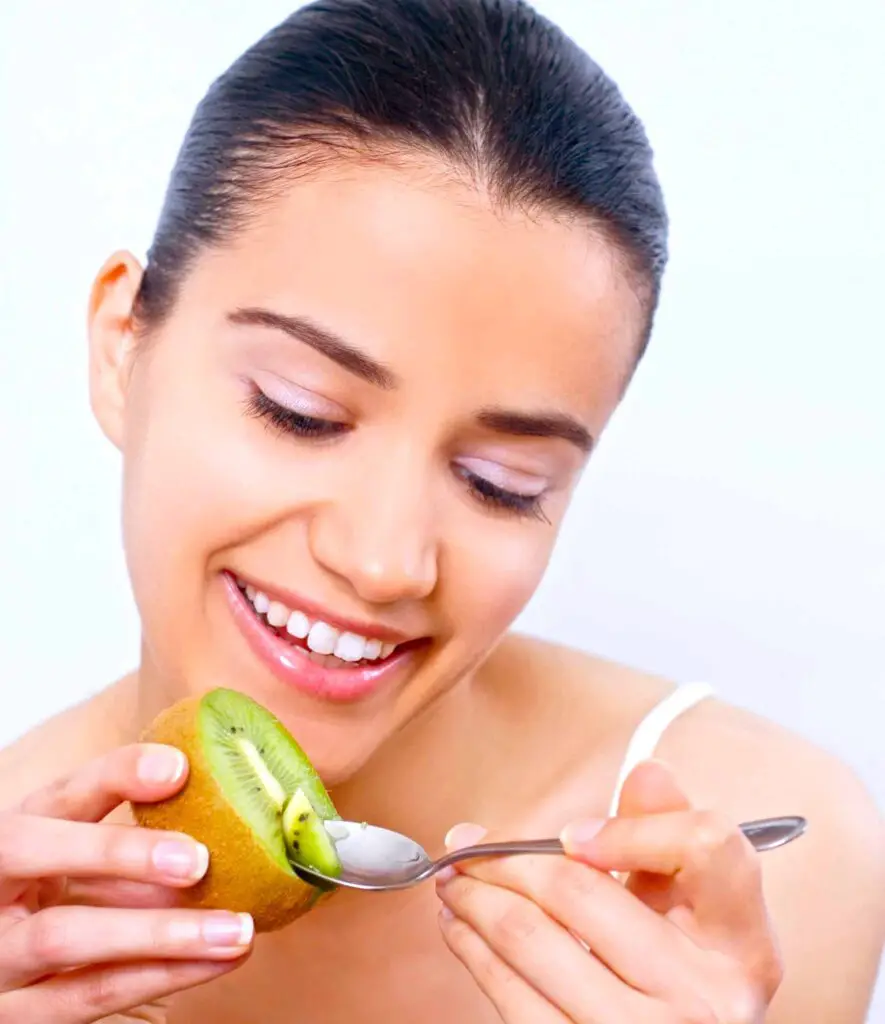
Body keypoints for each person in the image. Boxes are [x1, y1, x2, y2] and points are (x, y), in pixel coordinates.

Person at [1, 0, 883, 1020]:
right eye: (301, 412)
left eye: (501, 482)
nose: (383, 561)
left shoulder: (749, 891)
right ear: (123, 347)